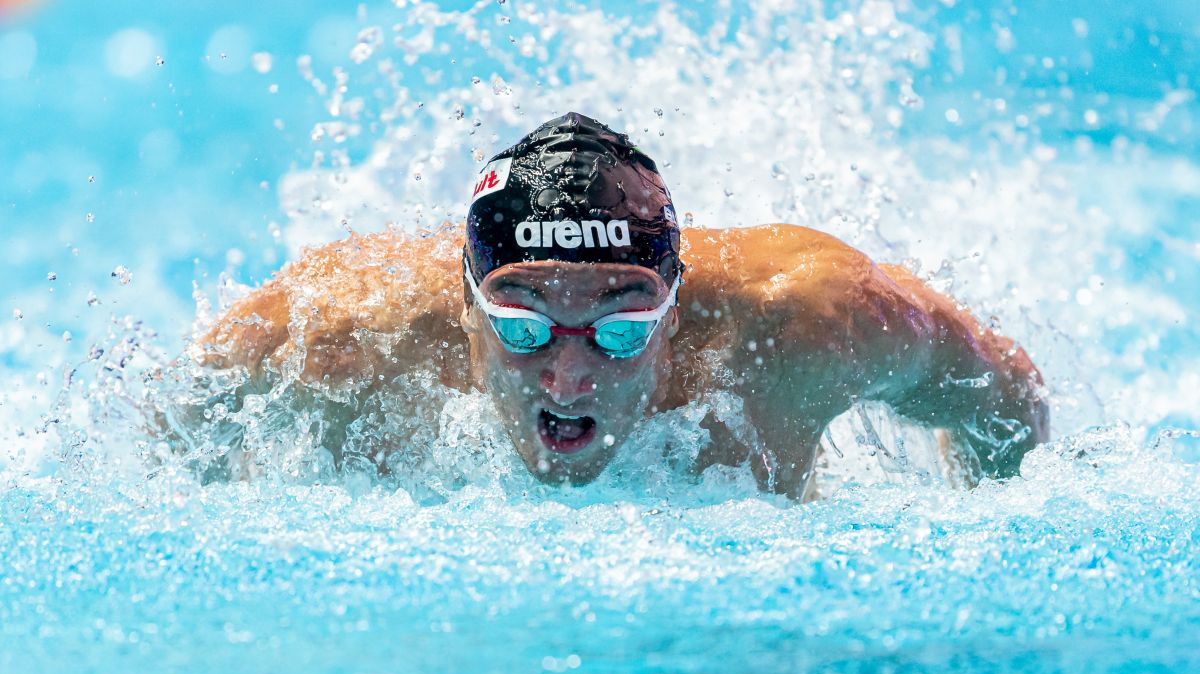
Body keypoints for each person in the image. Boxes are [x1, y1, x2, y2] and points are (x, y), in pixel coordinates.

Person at [194, 112, 1048, 499]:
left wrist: (988, 520)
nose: (568, 373)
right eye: (522, 325)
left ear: (674, 311)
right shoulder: (337, 334)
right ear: (464, 307)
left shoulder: (808, 323)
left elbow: (1004, 391)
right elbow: (175, 438)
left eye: (620, 327)